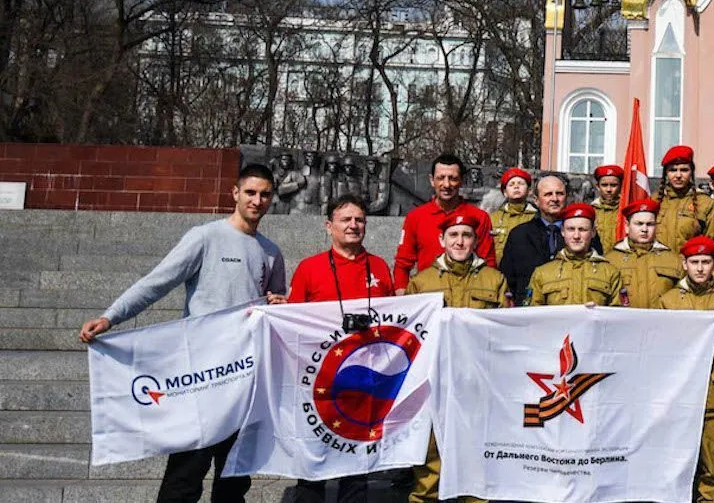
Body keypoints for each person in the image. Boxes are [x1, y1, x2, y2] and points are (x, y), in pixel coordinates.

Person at [79, 163, 287, 503]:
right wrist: (111, 317)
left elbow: (274, 305)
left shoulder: (270, 251)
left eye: (264, 194)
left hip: (244, 378)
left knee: (234, 477)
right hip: (202, 378)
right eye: (250, 192)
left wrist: (279, 304)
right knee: (187, 472)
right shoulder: (205, 237)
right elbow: (157, 281)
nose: (257, 200)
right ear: (235, 193)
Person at [282, 194, 398, 503]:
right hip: (319, 382)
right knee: (312, 468)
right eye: (346, 219)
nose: (353, 225)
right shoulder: (309, 268)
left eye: (359, 219)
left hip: (363, 382)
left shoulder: (379, 266)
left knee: (355, 471)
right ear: (329, 225)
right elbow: (293, 323)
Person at [407, 213, 508, 503]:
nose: (460, 241)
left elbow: (505, 330)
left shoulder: (494, 279)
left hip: (478, 378)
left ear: (476, 240)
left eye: (466, 235)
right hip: (433, 377)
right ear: (442, 240)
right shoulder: (422, 281)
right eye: (453, 235)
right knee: (430, 453)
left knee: (476, 449)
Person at [654, 236, 714, 503]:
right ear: (684, 264)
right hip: (679, 391)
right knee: (674, 457)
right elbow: (659, 350)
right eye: (695, 262)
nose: (701, 268)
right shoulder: (668, 300)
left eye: (706, 262)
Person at [392, 153, 495, 290]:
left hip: (468, 297)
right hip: (427, 294)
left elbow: (489, 263)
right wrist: (402, 294)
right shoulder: (415, 217)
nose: (446, 184)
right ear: (431, 180)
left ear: (462, 181)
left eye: (453, 178)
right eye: (441, 178)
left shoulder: (480, 217)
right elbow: (402, 264)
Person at [497, 173, 582, 304]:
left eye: (559, 193)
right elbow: (508, 280)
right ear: (536, 200)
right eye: (548, 194)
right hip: (528, 311)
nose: (554, 198)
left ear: (567, 197)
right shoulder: (519, 235)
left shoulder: (582, 234)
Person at [525, 203, 624, 306]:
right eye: (571, 229)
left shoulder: (610, 273)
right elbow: (533, 316)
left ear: (593, 232)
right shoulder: (543, 273)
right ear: (563, 231)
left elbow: (618, 316)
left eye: (582, 229)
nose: (576, 236)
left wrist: (599, 314)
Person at [605, 199, 682, 309]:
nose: (644, 229)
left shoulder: (673, 260)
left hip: (661, 323)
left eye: (650, 224)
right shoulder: (610, 260)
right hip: (624, 323)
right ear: (627, 226)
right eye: (639, 224)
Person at [654, 145, 711, 252]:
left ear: (691, 172)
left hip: (690, 266)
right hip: (657, 266)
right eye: (673, 170)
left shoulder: (704, 202)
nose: (678, 175)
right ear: (666, 173)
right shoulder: (654, 200)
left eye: (684, 170)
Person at [488, 167, 536, 261]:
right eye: (511, 184)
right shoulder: (493, 218)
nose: (516, 186)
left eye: (521, 184)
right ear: (505, 192)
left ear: (529, 191)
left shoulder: (536, 217)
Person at [591, 163, 625, 250]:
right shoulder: (591, 211)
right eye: (604, 185)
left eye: (613, 185)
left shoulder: (625, 210)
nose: (609, 189)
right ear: (598, 186)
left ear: (621, 186)